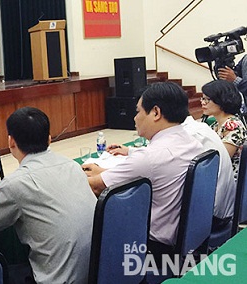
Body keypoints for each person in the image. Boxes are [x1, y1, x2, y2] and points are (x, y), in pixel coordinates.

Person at [0, 107, 97, 284]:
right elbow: (45, 197)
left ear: (11, 141)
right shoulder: (72, 166)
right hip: (96, 272)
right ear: (49, 139)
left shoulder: (16, 183)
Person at [82, 82, 203, 264]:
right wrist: (105, 172)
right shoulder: (192, 143)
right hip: (187, 240)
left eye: (138, 111)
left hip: (152, 247)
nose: (135, 118)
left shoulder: (150, 157)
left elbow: (95, 187)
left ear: (156, 112)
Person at [181, 115, 236, 232]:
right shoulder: (203, 127)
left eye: (207, 99)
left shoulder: (188, 135)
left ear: (156, 113)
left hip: (213, 216)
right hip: (219, 210)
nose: (203, 102)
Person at [201, 79, 247, 181]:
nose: (203, 103)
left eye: (207, 99)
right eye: (202, 98)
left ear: (221, 100)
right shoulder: (215, 124)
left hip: (231, 181)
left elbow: (221, 159)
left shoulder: (234, 126)